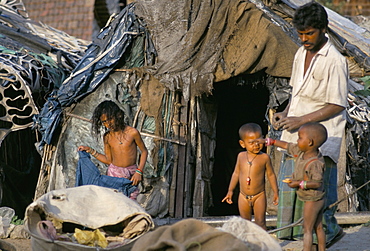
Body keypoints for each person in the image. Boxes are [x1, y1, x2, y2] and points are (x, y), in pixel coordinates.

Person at [272, 2, 348, 247]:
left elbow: (337, 104)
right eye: (300, 33)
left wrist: (301, 120)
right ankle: (295, 234)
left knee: (318, 190)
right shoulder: (300, 53)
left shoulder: (335, 60)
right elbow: (297, 93)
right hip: (297, 132)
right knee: (292, 185)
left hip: (321, 135)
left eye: (309, 33)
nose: (304, 38)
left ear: (323, 29)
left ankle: (327, 233)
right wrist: (284, 113)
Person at [263, 123, 327, 251]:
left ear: (309, 142)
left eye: (299, 138)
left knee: (307, 228)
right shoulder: (302, 151)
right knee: (318, 226)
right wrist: (271, 141)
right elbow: (287, 146)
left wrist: (299, 184)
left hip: (313, 199)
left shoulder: (315, 163)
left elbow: (317, 183)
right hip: (314, 197)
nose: (297, 141)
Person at [77, 100, 148, 199]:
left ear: (118, 115)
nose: (108, 124)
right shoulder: (107, 137)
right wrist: (90, 151)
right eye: (104, 122)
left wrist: (139, 171)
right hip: (114, 175)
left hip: (131, 175)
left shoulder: (132, 133)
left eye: (110, 119)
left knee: (130, 203)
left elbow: (144, 151)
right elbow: (108, 160)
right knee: (114, 202)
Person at [222, 123, 279, 230]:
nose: (256, 145)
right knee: (245, 223)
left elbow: (271, 175)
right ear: (242, 144)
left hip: (259, 195)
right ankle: (248, 245)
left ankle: (263, 244)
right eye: (251, 143)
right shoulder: (241, 156)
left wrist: (276, 191)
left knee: (261, 222)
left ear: (263, 139)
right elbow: (236, 173)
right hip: (243, 196)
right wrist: (230, 191)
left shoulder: (264, 158)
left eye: (258, 141)